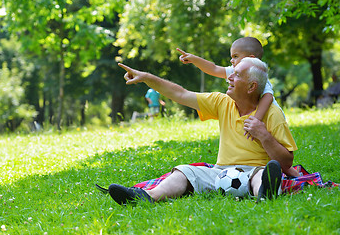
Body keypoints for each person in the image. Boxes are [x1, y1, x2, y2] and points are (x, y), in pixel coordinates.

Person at [107, 57, 298, 205]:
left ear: (251, 87)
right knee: (184, 171)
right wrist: (147, 78)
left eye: (237, 74)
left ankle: (265, 192)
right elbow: (180, 94)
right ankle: (146, 196)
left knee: (260, 176)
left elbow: (287, 161)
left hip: (254, 171)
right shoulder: (222, 102)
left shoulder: (273, 114)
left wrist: (264, 136)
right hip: (219, 173)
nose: (229, 77)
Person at [177, 37, 299, 177]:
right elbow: (214, 68)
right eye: (231, 57)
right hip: (254, 118)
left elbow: (268, 97)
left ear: (250, 58)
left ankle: (295, 175)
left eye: (235, 56)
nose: (231, 60)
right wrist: (194, 59)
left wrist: (256, 120)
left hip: (266, 117)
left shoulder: (256, 75)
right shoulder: (235, 71)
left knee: (274, 152)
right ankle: (288, 174)